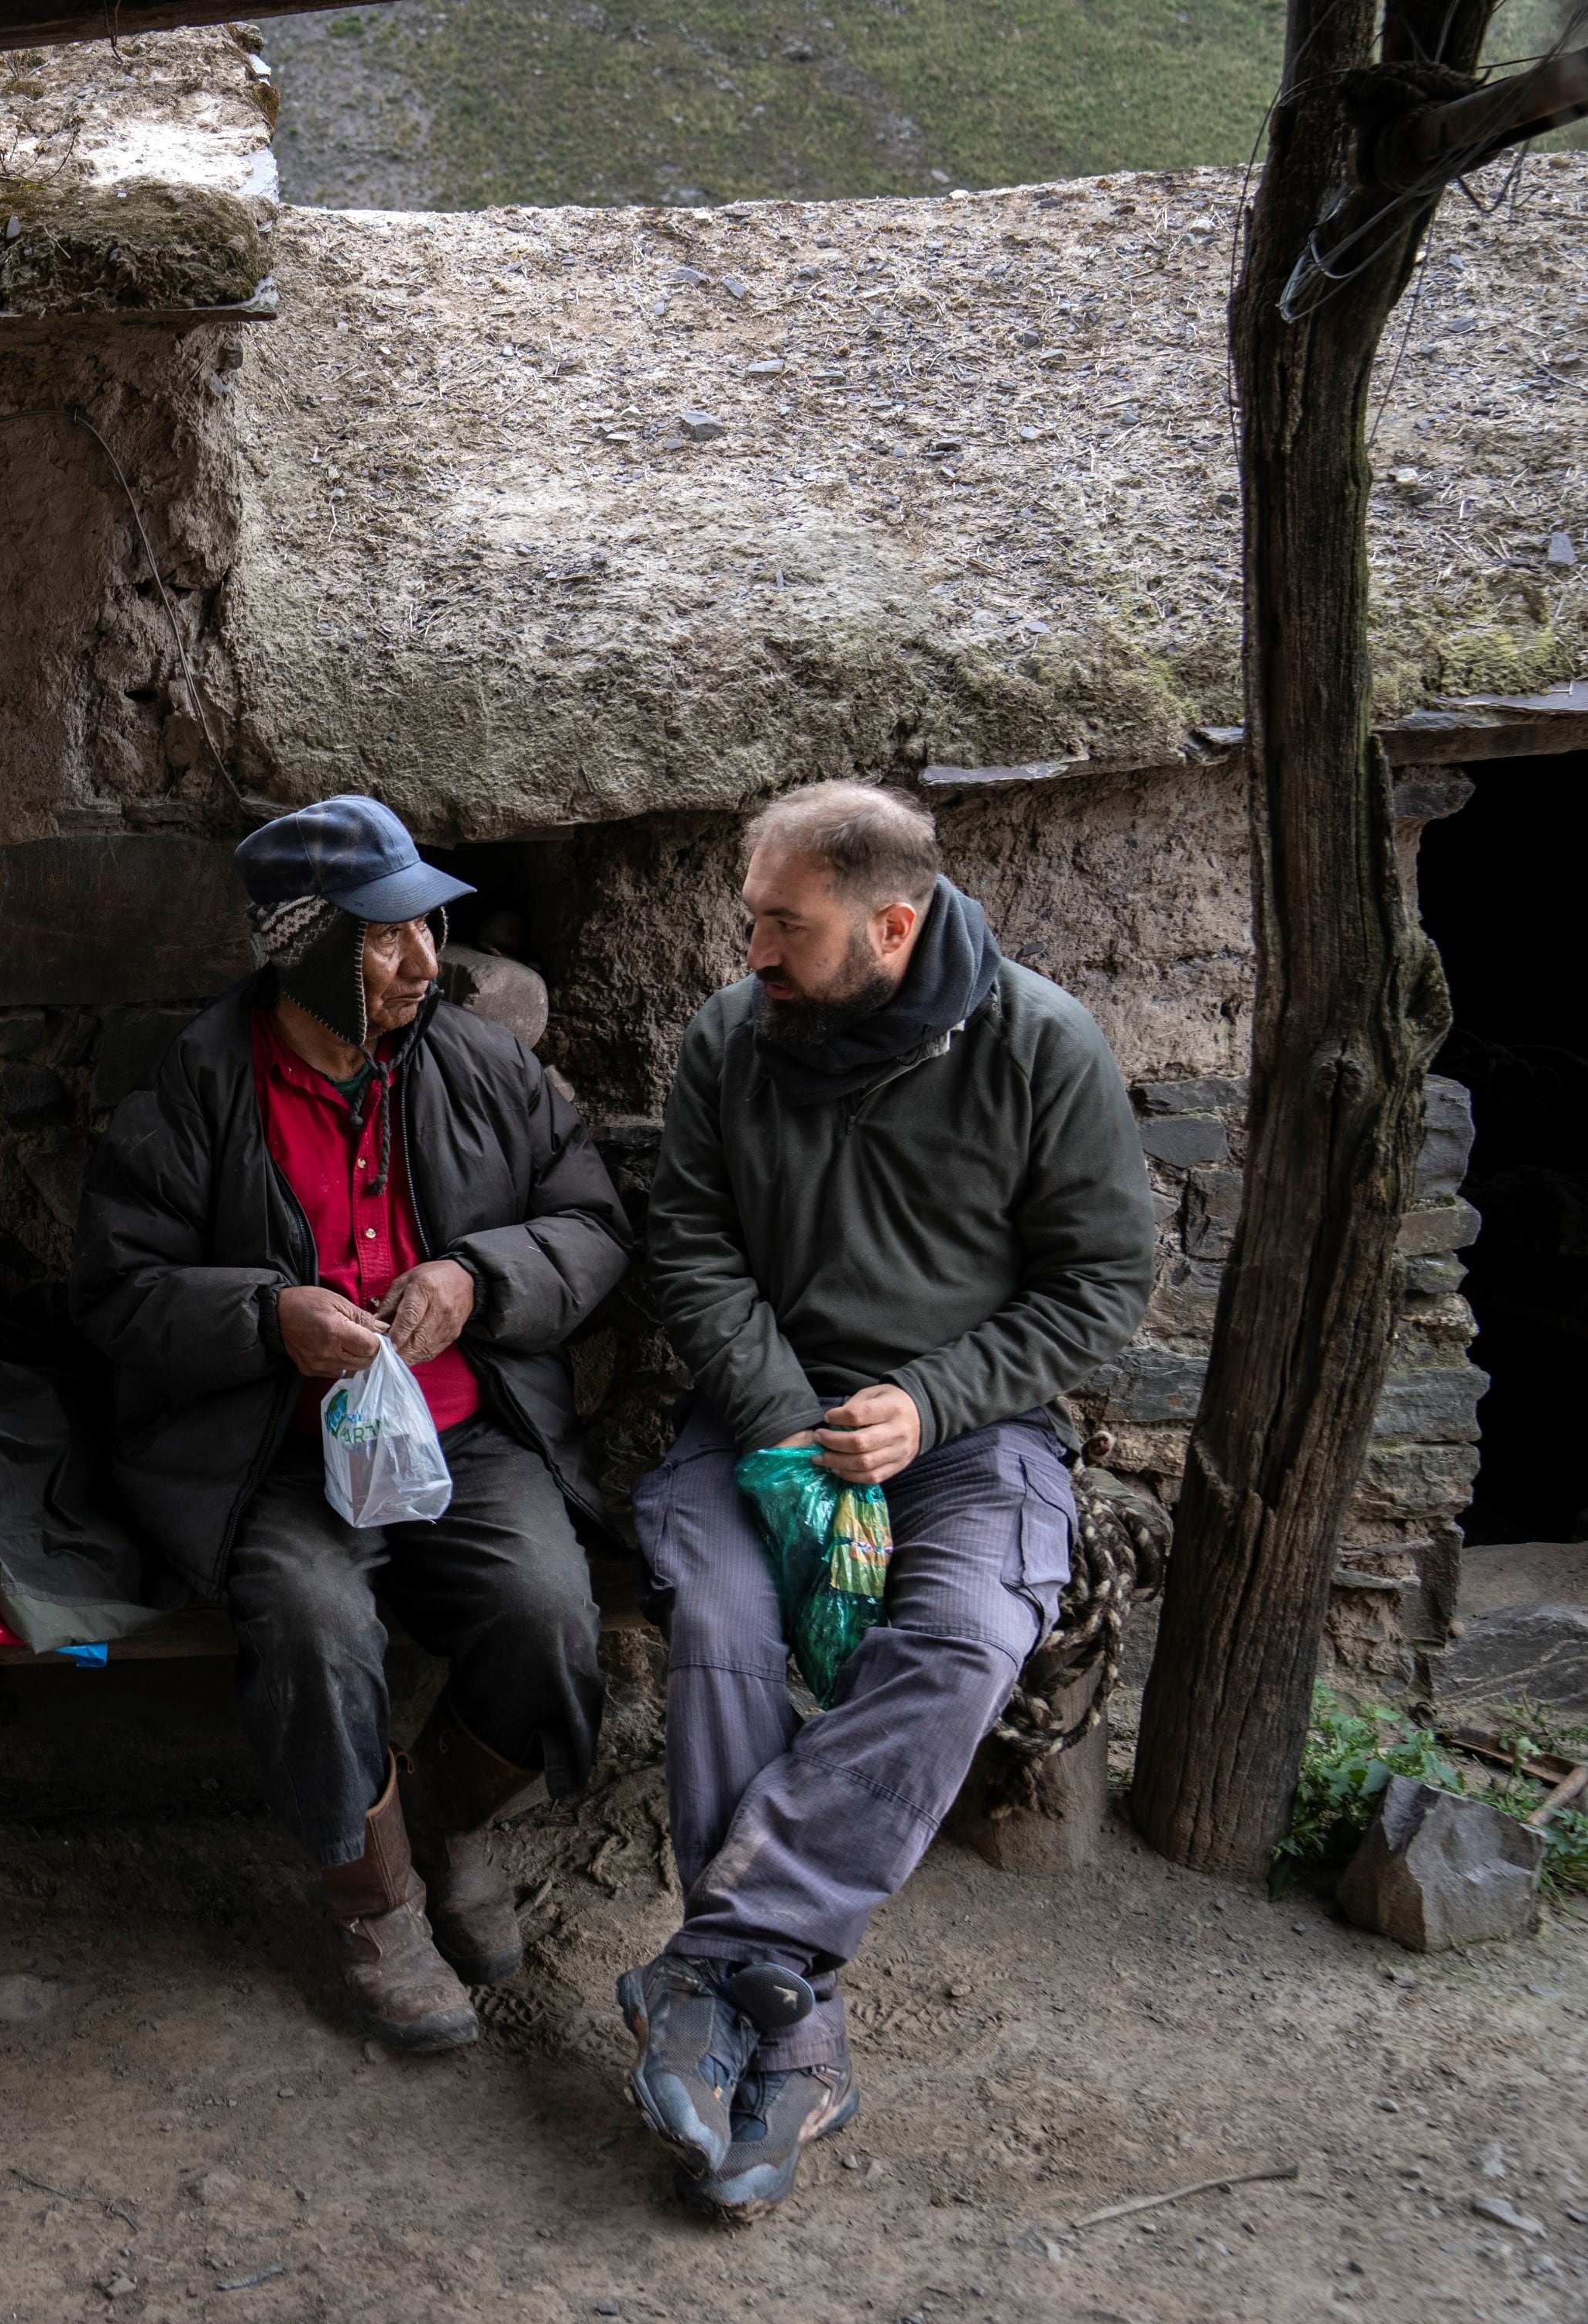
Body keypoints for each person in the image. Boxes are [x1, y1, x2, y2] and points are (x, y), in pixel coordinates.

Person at [624, 779, 1156, 2220]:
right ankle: (796, 2036)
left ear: (893, 926)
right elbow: (688, 1243)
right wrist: (791, 1423)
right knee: (721, 1618)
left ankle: (724, 1968)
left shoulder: (1042, 1047)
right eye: (752, 919)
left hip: (970, 1432)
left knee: (969, 1635)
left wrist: (936, 1400)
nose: (753, 955)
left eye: (784, 927)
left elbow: (1106, 1283)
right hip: (766, 1420)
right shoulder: (731, 1043)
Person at [73, 796, 632, 2051]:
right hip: (275, 1454)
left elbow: (596, 1228)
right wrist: (268, 1319)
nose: (427, 964)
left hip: (467, 1434)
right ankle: (379, 1905)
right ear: (308, 947)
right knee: (316, 1627)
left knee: (551, 1621)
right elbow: (117, 1295)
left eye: (430, 927)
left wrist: (477, 1278)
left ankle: (449, 1824)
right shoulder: (202, 1086)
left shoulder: (480, 1067)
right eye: (388, 940)